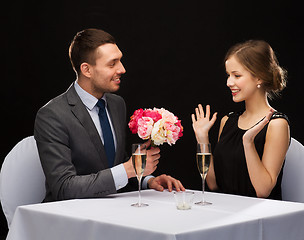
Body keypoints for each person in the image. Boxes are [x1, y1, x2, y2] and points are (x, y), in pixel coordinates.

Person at [34, 28, 184, 202]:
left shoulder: (116, 104)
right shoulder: (52, 115)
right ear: (87, 70)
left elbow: (114, 162)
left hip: (113, 211)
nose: (122, 69)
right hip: (70, 219)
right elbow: (64, 187)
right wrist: (129, 169)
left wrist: (147, 180)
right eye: (112, 64)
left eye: (120, 61)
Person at [191, 40, 290, 200]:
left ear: (259, 78)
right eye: (228, 75)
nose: (229, 82)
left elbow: (263, 191)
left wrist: (248, 142)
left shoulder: (277, 124)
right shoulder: (227, 121)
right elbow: (213, 184)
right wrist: (202, 139)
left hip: (259, 218)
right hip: (226, 211)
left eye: (237, 75)